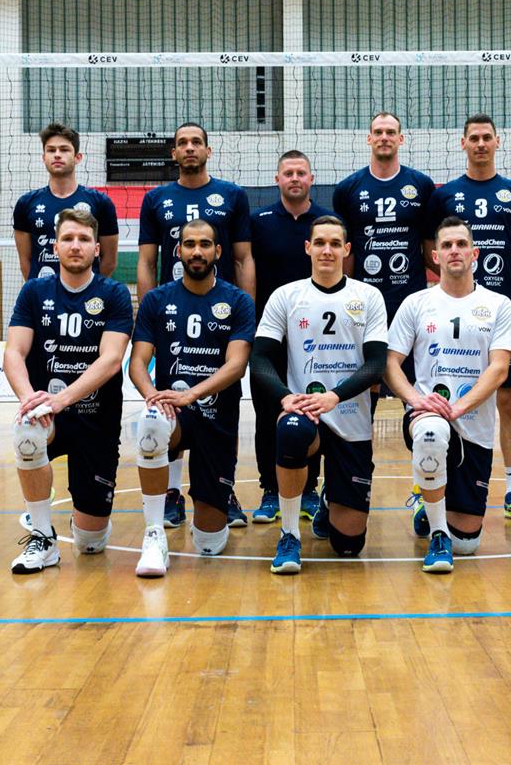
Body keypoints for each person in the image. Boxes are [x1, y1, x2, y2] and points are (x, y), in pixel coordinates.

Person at [251, 215, 388, 574]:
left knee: (348, 546)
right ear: (307, 248)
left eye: (335, 244)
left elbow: (377, 363)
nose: (327, 250)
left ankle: (330, 500)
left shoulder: (368, 296)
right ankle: (289, 534)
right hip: (305, 412)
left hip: (350, 418)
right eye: (320, 243)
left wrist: (336, 396)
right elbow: (260, 357)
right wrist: (285, 397)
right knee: (291, 430)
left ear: (346, 249)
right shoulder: (286, 296)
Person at [137, 122, 255, 529]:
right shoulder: (156, 199)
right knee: (167, 404)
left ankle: (224, 489)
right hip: (171, 314)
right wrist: (149, 314)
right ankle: (171, 491)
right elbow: (147, 262)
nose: (189, 148)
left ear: (208, 150)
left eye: (196, 142)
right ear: (173, 153)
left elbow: (243, 259)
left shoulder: (232, 195)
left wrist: (246, 317)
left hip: (221, 316)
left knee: (223, 407)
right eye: (182, 143)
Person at [425, 114, 511, 522]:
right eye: (473, 138)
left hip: (500, 313)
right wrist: (460, 282)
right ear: (463, 143)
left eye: (486, 137)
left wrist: (504, 279)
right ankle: (430, 490)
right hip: (452, 313)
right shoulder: (444, 196)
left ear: (497, 142)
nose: (480, 144)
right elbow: (429, 250)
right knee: (442, 398)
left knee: (509, 402)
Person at [384, 217, 511, 572]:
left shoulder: (498, 304)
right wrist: (415, 401)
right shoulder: (416, 303)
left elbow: (499, 369)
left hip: (473, 423)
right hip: (426, 415)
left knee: (468, 544)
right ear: (435, 256)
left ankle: (426, 503)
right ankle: (438, 535)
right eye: (446, 245)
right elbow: (390, 362)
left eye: (461, 244)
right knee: (431, 433)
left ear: (475, 253)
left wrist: (457, 408)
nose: (454, 250)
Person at [3, 209, 133, 573]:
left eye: (84, 239)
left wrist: (61, 399)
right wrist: (29, 399)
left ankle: (86, 520)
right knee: (27, 428)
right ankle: (42, 536)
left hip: (96, 420)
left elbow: (112, 360)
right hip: (49, 416)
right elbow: (14, 352)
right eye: (68, 239)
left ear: (97, 249)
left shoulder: (114, 294)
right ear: (55, 247)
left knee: (90, 544)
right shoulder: (34, 291)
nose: (76, 246)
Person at [128, 219, 257, 576]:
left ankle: (214, 506)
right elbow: (137, 363)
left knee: (210, 543)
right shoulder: (157, 300)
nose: (196, 251)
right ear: (178, 251)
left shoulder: (238, 301)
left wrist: (193, 394)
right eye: (189, 244)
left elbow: (237, 364)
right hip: (174, 413)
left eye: (204, 244)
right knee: (151, 423)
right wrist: (153, 396)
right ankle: (154, 534)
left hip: (217, 417)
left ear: (218, 251)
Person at [246, 150, 333, 524]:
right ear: (277, 180)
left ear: (311, 179)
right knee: (268, 415)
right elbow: (245, 268)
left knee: (311, 410)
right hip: (271, 336)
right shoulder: (258, 222)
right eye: (288, 173)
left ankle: (310, 489)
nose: (295, 178)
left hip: (316, 338)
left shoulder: (326, 223)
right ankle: (270, 490)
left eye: (301, 173)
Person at [331, 112, 436, 418]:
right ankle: (361, 443)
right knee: (368, 379)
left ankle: (420, 435)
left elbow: (429, 247)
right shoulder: (348, 189)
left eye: (390, 132)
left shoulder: (421, 185)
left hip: (410, 300)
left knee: (413, 379)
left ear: (400, 139)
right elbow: (347, 251)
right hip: (365, 302)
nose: (384, 137)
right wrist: (344, 295)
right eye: (378, 132)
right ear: (369, 138)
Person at [13, 122, 119, 280]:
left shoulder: (101, 202)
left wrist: (90, 288)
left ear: (77, 157)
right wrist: (39, 289)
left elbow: (109, 261)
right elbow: (25, 261)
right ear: (44, 157)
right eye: (51, 150)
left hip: (86, 292)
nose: (57, 155)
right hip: (44, 293)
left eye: (64, 149)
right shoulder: (26, 204)